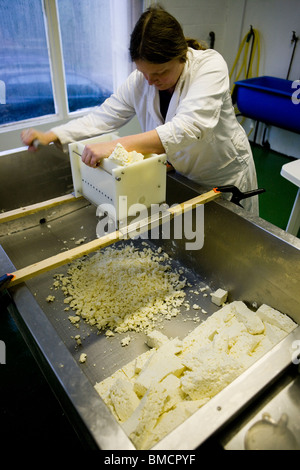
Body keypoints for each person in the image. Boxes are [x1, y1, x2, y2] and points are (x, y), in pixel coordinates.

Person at [21, 5, 258, 214]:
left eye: (160, 72)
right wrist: (51, 134)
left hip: (223, 177)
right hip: (183, 177)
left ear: (181, 56)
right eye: (144, 72)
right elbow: (103, 116)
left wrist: (114, 146)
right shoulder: (140, 80)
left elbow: (188, 127)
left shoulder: (209, 67)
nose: (150, 81)